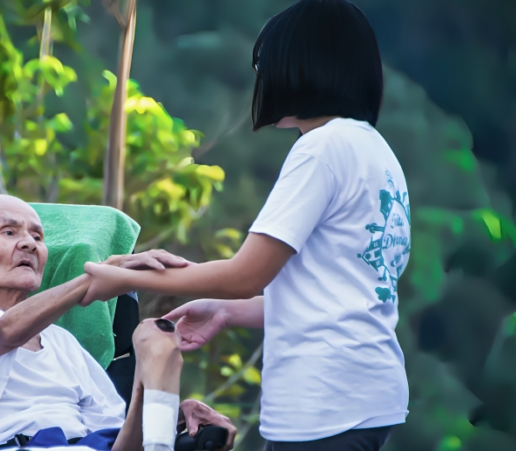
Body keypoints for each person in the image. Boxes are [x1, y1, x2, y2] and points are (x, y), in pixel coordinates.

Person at [81, 1, 410, 450]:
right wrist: (225, 310)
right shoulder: (377, 153)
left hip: (324, 402)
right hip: (368, 392)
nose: (264, 77)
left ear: (303, 66)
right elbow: (334, 294)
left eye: (268, 64)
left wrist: (120, 278)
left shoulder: (322, 149)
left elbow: (246, 273)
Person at [0, 195, 236, 451]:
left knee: (152, 337)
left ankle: (154, 379)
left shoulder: (63, 344)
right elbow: (5, 331)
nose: (30, 244)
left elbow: (115, 437)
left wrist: (169, 413)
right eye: (9, 232)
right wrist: (100, 274)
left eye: (37, 236)